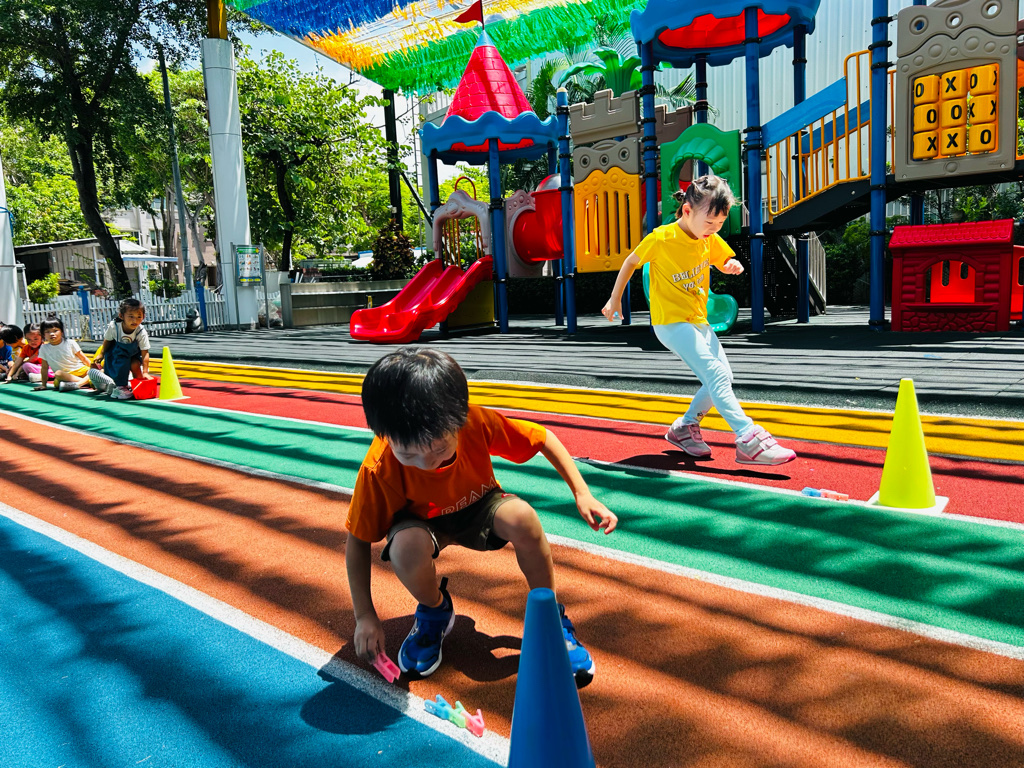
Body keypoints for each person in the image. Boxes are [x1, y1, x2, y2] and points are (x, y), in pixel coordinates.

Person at [347, 348, 617, 688]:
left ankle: (549, 617)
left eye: (439, 448)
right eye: (408, 454)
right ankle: (434, 610)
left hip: (479, 506)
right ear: (384, 435)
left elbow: (543, 438)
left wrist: (582, 493)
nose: (426, 463)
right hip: (421, 522)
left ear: (459, 420)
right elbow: (358, 541)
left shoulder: (476, 422)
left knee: (523, 517)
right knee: (404, 547)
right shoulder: (379, 467)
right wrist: (365, 616)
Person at [602, 175, 796, 465]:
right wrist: (615, 298)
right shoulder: (662, 238)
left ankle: (684, 427)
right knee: (716, 375)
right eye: (709, 222)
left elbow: (722, 260)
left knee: (724, 376)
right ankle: (748, 438)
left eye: (720, 223)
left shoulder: (708, 237)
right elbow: (631, 261)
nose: (714, 229)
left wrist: (730, 265)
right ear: (687, 211)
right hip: (671, 322)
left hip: (698, 320)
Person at [89, 298, 153, 400]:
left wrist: (145, 372)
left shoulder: (141, 331)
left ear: (143, 317)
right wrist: (101, 354)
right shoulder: (114, 327)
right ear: (121, 316)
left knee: (135, 364)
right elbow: (107, 340)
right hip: (116, 353)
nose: (135, 320)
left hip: (132, 354)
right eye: (131, 316)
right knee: (121, 362)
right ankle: (120, 387)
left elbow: (145, 352)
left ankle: (138, 384)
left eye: (139, 316)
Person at [35, 317, 93, 392]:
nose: (52, 334)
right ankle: (86, 382)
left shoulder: (70, 343)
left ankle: (78, 384)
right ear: (43, 334)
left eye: (55, 331)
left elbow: (84, 359)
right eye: (47, 332)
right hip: (64, 376)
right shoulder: (44, 348)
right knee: (58, 374)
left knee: (100, 371)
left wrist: (93, 369)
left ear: (62, 332)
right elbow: (44, 367)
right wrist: (43, 385)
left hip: (81, 370)